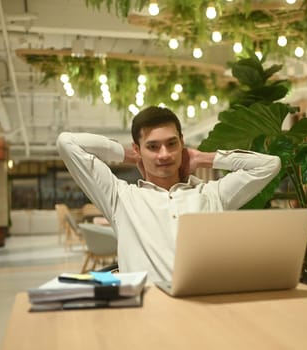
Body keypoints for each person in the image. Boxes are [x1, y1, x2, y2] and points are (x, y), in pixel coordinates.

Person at [56, 106, 281, 282]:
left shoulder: (213, 194)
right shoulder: (121, 198)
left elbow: (269, 165)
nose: (164, 154)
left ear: (182, 143)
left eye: (171, 144)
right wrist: (129, 157)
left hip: (207, 306)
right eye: (152, 147)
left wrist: (202, 158)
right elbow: (67, 143)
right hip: (148, 311)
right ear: (138, 149)